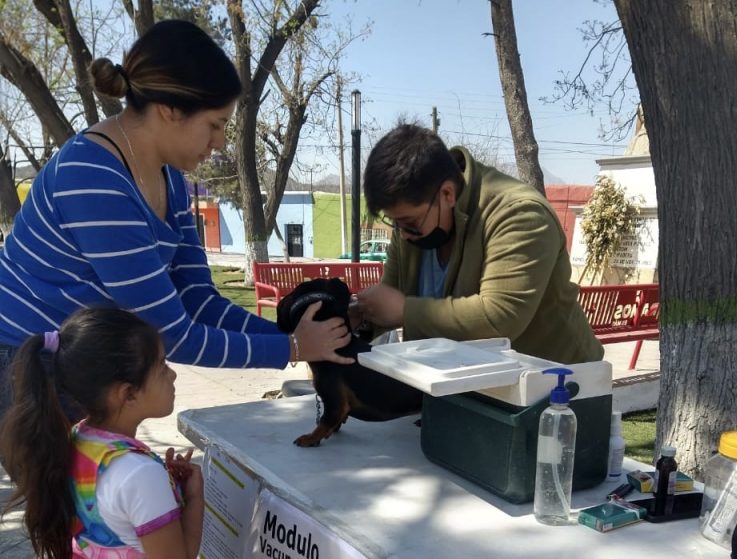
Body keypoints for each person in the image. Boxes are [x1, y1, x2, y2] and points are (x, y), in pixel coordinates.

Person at [0, 20, 352, 417]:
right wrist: (292, 348)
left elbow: (197, 299)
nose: (219, 142)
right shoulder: (92, 176)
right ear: (169, 109)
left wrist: (291, 335)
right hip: (23, 364)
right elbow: (169, 333)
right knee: (66, 480)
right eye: (214, 125)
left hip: (81, 362)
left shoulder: (172, 181)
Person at [355, 123, 603, 364]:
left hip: (557, 385)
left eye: (409, 222)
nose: (402, 234)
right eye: (394, 222)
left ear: (447, 194)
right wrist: (355, 316)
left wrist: (406, 312)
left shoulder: (519, 214)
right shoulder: (414, 223)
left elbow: (500, 317)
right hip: (469, 379)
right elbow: (389, 301)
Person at [0, 307, 202, 558]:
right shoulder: (140, 473)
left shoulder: (78, 439)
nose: (172, 375)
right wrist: (193, 499)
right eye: (161, 366)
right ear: (128, 394)